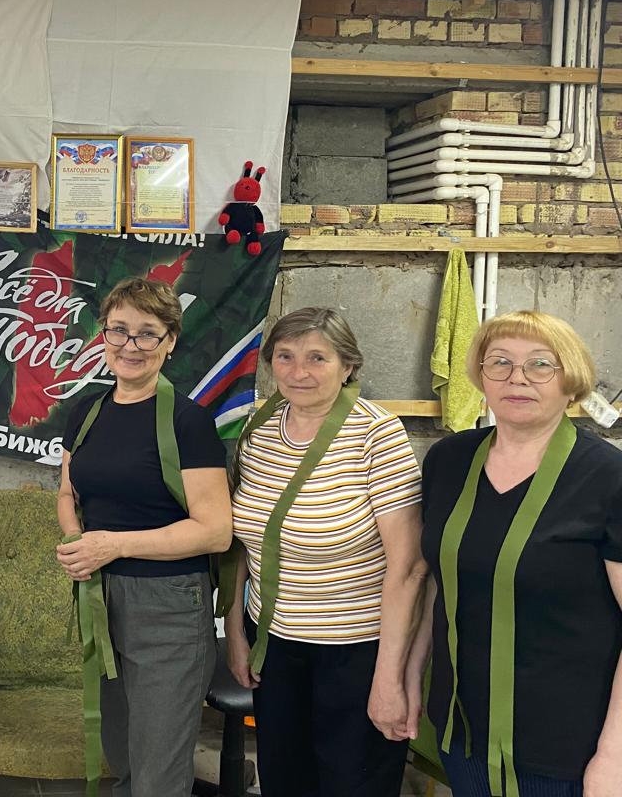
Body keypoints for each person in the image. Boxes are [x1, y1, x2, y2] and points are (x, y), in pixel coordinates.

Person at [409, 311, 622, 797]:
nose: (517, 377)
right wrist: (406, 679)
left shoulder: (608, 478)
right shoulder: (449, 461)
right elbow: (439, 585)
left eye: (540, 364)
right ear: (481, 376)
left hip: (570, 748)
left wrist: (614, 755)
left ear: (571, 379)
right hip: (463, 733)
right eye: (500, 362)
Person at [225, 306, 426, 797]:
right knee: (284, 780)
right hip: (274, 645)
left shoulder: (377, 434)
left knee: (353, 783)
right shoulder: (259, 429)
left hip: (356, 649)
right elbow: (243, 544)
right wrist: (235, 630)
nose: (299, 372)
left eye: (317, 357)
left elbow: (408, 567)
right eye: (285, 356)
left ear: (348, 365)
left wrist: (390, 677)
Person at [56, 276, 232, 797]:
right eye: (118, 330)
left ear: (170, 341)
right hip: (102, 598)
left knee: (158, 775)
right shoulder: (84, 413)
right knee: (124, 757)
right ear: (103, 335)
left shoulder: (188, 422)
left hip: (169, 608)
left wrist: (112, 545)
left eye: (147, 333)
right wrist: (78, 543)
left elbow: (215, 531)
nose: (130, 345)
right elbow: (67, 493)